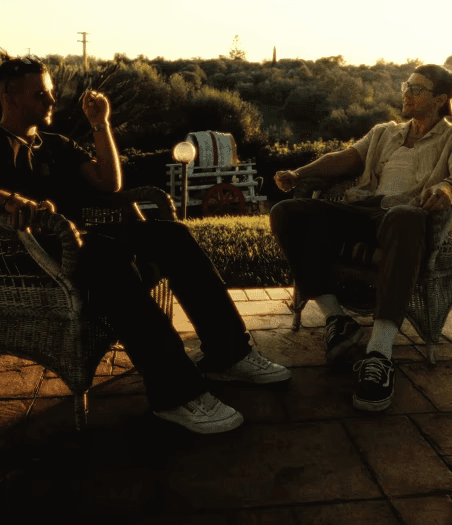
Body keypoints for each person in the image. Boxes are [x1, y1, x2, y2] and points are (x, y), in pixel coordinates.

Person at [0, 54, 291, 435]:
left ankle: (228, 353)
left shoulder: (53, 143)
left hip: (83, 243)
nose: (52, 101)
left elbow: (109, 183)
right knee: (107, 261)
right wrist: (7, 199)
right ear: (8, 96)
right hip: (27, 262)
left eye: (51, 93)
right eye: (41, 94)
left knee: (171, 235)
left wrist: (100, 124)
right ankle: (176, 395)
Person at [271, 64, 452, 413]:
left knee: (405, 215)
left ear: (441, 99)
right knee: (287, 212)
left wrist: (446, 187)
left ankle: (379, 354)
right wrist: (299, 173)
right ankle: (337, 319)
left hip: (407, 220)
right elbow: (344, 159)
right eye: (406, 86)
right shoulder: (385, 132)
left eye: (417, 89)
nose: (406, 93)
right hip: (362, 211)